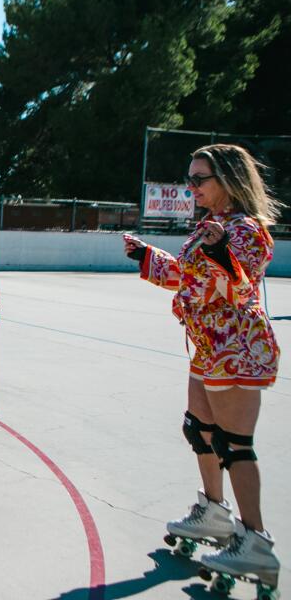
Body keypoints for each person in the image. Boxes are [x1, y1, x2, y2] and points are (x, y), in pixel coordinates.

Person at [123, 144, 281, 593]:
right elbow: (187, 278)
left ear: (228, 180)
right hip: (208, 345)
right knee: (200, 429)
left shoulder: (245, 229)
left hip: (236, 345)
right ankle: (214, 512)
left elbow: (242, 283)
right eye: (189, 179)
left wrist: (222, 251)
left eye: (199, 179)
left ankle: (255, 541)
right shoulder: (210, 227)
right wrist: (146, 257)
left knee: (234, 445)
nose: (190, 187)